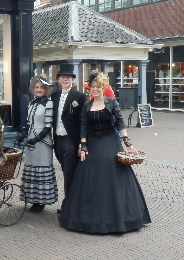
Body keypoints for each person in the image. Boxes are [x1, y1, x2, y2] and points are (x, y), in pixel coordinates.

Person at [59, 72, 151, 234]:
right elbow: (84, 127)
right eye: (92, 87)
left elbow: (120, 123)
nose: (94, 90)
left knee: (112, 176)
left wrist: (128, 143)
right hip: (92, 144)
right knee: (89, 177)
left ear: (103, 87)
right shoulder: (87, 105)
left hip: (110, 143)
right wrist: (83, 145)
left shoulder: (111, 103)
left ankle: (117, 218)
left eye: (97, 87)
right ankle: (88, 217)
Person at [16, 73, 58, 213]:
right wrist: (23, 135)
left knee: (41, 170)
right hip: (31, 141)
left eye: (41, 87)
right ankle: (33, 200)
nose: (39, 89)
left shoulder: (49, 103)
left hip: (42, 142)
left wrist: (37, 139)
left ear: (46, 89)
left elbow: (48, 126)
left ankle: (42, 202)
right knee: (31, 169)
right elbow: (28, 123)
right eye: (37, 87)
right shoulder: (31, 103)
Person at [51, 63, 86, 214]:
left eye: (68, 77)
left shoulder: (79, 96)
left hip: (71, 139)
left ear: (72, 79)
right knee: (65, 170)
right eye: (63, 77)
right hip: (57, 139)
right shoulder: (54, 96)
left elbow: (83, 121)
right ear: (59, 79)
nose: (65, 79)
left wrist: (81, 144)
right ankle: (71, 202)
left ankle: (69, 205)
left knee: (70, 172)